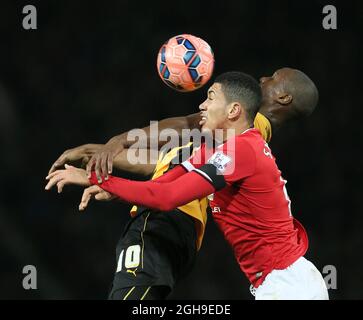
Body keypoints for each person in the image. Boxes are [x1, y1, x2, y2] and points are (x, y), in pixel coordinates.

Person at [46, 71, 328, 299]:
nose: (202, 105)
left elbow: (167, 195)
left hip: (290, 283)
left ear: (234, 110)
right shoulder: (220, 148)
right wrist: (107, 181)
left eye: (210, 98)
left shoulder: (243, 148)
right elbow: (170, 176)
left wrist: (101, 172)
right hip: (276, 281)